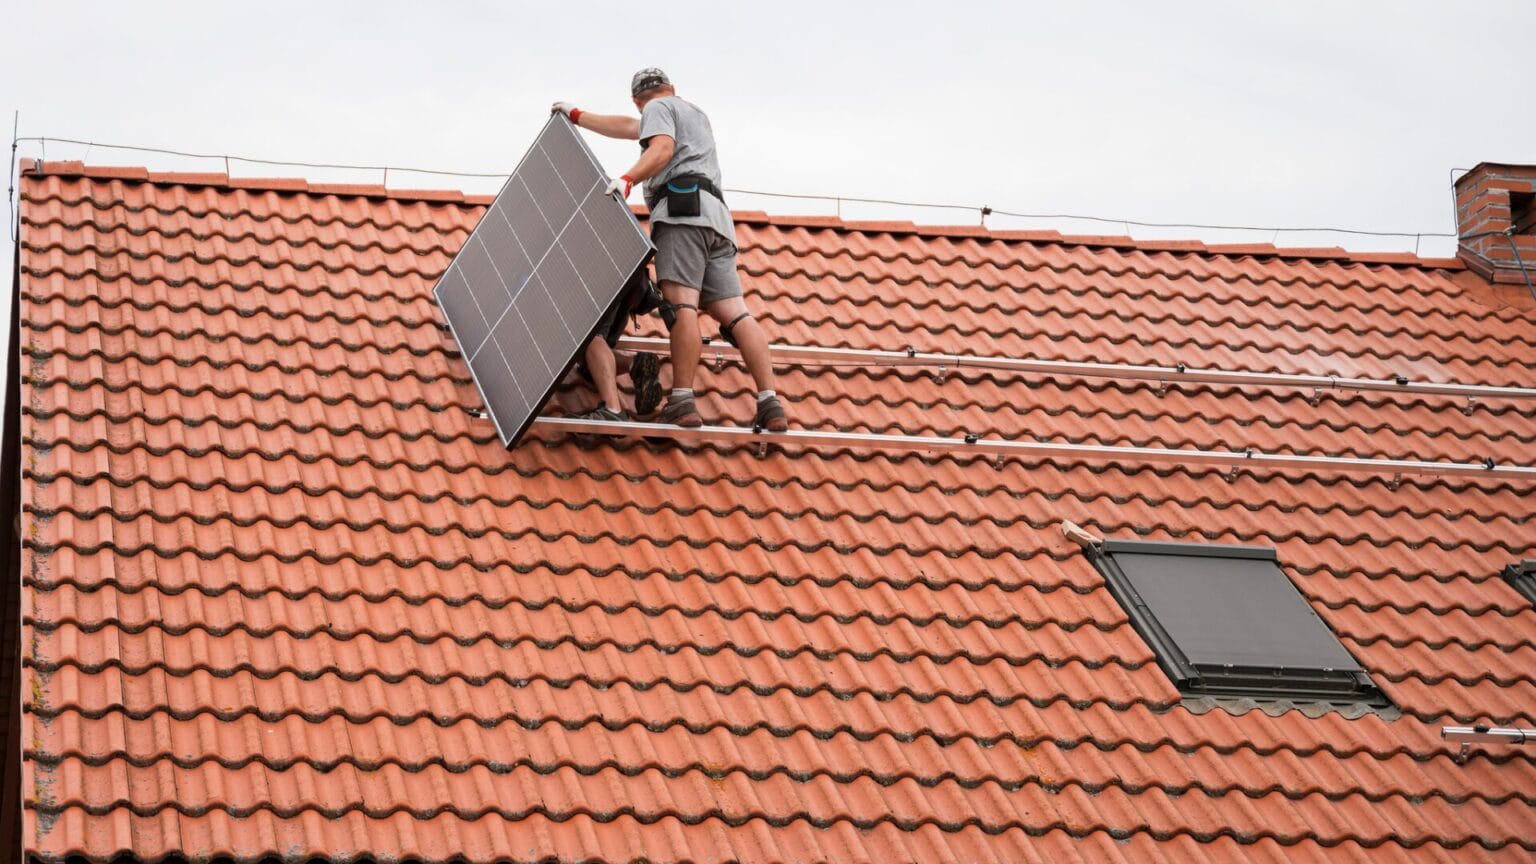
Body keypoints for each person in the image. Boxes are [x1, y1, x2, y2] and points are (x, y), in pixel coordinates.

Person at [552, 68, 788, 431]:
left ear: (637, 99)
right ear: (671, 88)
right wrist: (578, 115)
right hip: (718, 222)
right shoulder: (691, 113)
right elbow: (630, 128)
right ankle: (770, 403)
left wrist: (629, 179)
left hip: (683, 215)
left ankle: (681, 400)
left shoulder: (657, 111)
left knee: (683, 307)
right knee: (737, 314)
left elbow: (662, 148)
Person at [564, 269, 666, 422]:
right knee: (592, 361)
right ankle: (635, 364)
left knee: (590, 337)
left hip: (607, 275)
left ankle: (612, 409)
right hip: (634, 282)